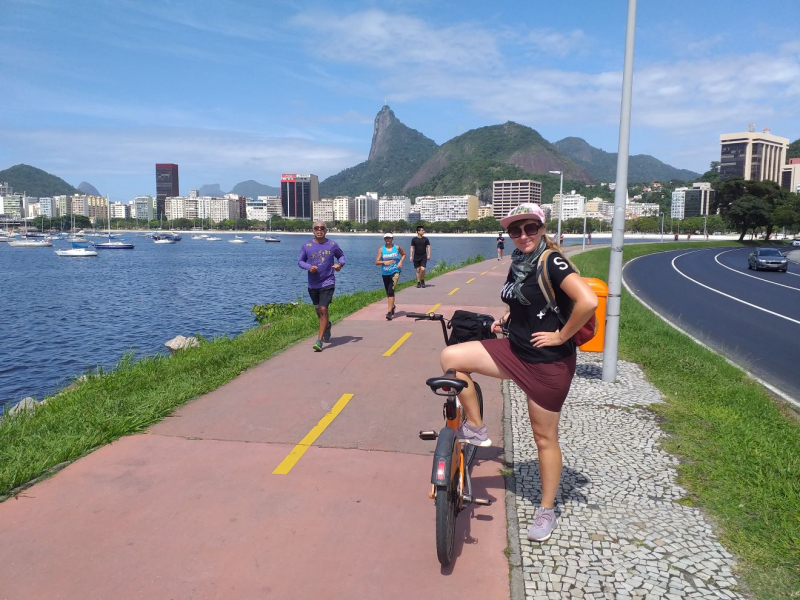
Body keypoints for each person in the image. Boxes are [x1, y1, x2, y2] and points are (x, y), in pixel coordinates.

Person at [437, 203, 597, 543]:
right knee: (452, 356)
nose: (522, 235)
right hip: (515, 352)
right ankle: (477, 428)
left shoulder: (551, 260)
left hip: (547, 365)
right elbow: (524, 299)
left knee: (543, 439)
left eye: (529, 228)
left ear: (541, 229)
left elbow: (588, 302)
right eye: (515, 230)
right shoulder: (519, 262)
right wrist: (508, 318)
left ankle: (547, 509)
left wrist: (561, 335)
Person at [298, 221, 345, 352]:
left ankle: (319, 341)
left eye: (322, 228)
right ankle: (327, 326)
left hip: (328, 282)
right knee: (318, 311)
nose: (319, 230)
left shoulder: (332, 245)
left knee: (323, 309)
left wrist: (339, 265)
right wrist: (309, 267)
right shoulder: (307, 245)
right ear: (313, 230)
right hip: (313, 284)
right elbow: (300, 261)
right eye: (316, 228)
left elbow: (341, 256)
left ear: (326, 230)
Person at [375, 232, 405, 320]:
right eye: (386, 238)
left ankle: (389, 312)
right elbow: (376, 262)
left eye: (389, 238)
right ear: (384, 239)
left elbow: (404, 254)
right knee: (388, 293)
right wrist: (384, 262)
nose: (388, 240)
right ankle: (392, 306)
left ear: (392, 239)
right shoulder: (381, 249)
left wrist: (400, 262)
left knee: (391, 291)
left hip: (395, 271)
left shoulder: (397, 248)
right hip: (385, 273)